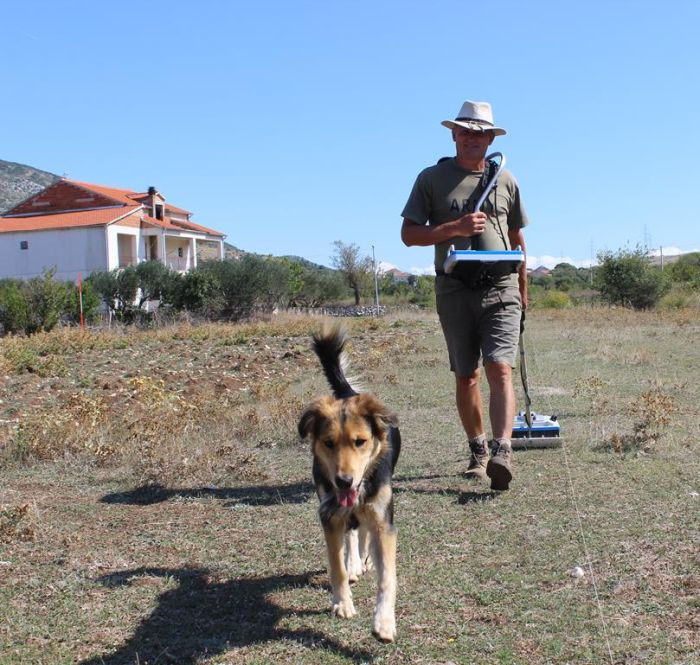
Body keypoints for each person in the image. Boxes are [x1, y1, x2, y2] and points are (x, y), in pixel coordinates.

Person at [400, 101, 528, 491]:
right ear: (454, 134)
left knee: (499, 367)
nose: (473, 138)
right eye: (466, 131)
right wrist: (453, 227)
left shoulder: (505, 180)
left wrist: (523, 291)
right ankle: (478, 451)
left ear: (491, 138)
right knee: (467, 376)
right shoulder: (431, 179)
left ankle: (502, 450)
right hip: (454, 288)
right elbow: (410, 235)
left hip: (502, 285)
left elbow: (519, 238)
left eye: (481, 133)